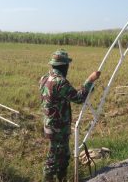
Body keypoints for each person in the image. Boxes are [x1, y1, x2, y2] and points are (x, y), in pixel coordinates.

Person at [39, 49, 100, 182]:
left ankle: (63, 179)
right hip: (58, 128)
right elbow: (78, 98)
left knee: (64, 157)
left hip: (50, 125)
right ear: (64, 66)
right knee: (53, 161)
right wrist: (90, 80)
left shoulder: (44, 78)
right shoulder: (60, 82)